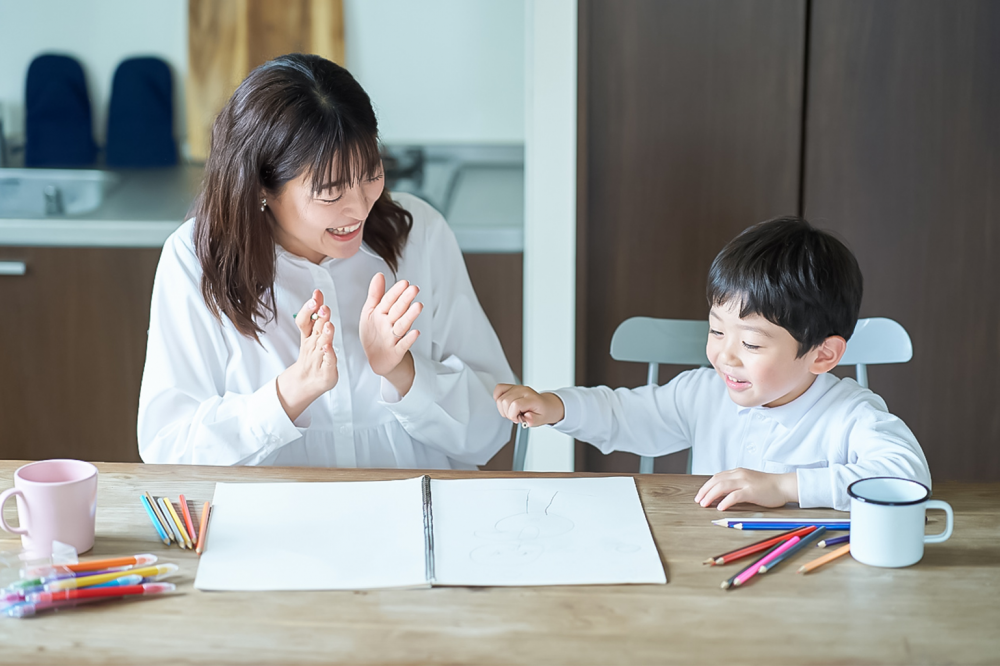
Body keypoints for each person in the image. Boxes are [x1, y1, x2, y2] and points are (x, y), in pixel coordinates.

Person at [138, 54, 515, 469]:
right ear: (262, 185)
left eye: (371, 174)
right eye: (331, 192)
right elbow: (168, 449)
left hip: (416, 519)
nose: (358, 208)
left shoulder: (419, 234)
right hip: (271, 528)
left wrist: (403, 372)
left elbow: (491, 432)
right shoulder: (195, 259)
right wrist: (291, 391)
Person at [494, 216, 930, 511]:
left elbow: (908, 475)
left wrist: (783, 487)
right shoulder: (704, 393)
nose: (725, 355)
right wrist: (557, 407)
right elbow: (626, 415)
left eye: (752, 344)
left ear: (823, 355)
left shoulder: (848, 413)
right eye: (717, 331)